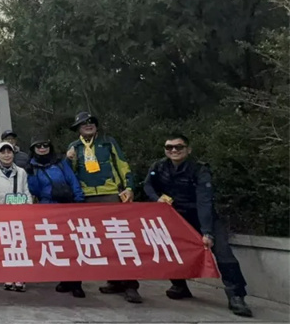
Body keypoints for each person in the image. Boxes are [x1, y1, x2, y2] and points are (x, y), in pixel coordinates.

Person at [143, 134, 252, 317]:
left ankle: (236, 296)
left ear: (188, 149)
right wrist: (157, 198)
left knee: (223, 253)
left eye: (179, 147)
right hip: (176, 217)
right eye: (169, 147)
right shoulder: (159, 166)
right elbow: (148, 185)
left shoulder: (200, 169)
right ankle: (179, 285)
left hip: (202, 215)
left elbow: (204, 201)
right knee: (172, 251)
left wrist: (207, 232)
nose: (174, 150)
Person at [65, 111, 140, 303]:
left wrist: (129, 187)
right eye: (83, 123)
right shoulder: (74, 147)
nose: (88, 125)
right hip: (86, 198)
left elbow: (123, 165)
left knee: (119, 239)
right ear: (78, 128)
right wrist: (68, 160)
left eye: (91, 122)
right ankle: (113, 280)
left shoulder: (108, 142)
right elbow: (69, 175)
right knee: (94, 241)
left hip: (110, 195)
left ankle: (130, 285)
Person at [27, 135, 85, 298]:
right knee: (57, 245)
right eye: (38, 146)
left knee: (72, 244)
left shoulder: (60, 162)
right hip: (48, 208)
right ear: (33, 149)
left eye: (45, 145)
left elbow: (73, 180)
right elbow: (35, 190)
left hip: (67, 206)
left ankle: (76, 283)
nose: (42, 148)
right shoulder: (32, 168)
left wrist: (79, 200)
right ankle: (64, 279)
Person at [0, 141, 32, 292]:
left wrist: (28, 208)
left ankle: (20, 277)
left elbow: (26, 191)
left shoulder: (21, 172)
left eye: (9, 152)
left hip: (18, 213)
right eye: (3, 153)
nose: (6, 155)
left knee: (19, 245)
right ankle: (8, 276)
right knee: (5, 245)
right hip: (1, 214)